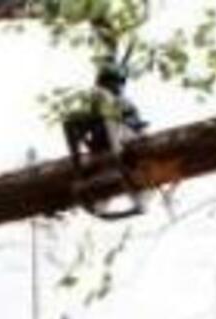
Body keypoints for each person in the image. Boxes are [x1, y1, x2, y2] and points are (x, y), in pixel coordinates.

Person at [61, 30, 149, 220]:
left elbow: (139, 127)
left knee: (109, 118)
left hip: (126, 140)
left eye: (111, 82)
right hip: (103, 143)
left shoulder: (124, 103)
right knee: (71, 121)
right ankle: (79, 170)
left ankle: (116, 159)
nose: (108, 86)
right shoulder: (99, 101)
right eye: (105, 82)